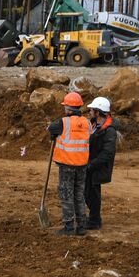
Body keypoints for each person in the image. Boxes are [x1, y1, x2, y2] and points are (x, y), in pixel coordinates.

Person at [47, 91, 92, 236]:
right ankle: (82, 226)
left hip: (67, 166)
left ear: (68, 108)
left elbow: (51, 129)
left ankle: (68, 227)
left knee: (67, 195)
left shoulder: (63, 122)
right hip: (82, 165)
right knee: (79, 195)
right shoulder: (86, 122)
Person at [83, 97, 116, 230]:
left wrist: (91, 165)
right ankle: (93, 218)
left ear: (98, 112)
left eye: (92, 109)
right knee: (87, 192)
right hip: (91, 165)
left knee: (93, 194)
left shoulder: (109, 131)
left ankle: (94, 221)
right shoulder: (94, 125)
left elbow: (107, 153)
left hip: (97, 167)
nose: (89, 111)